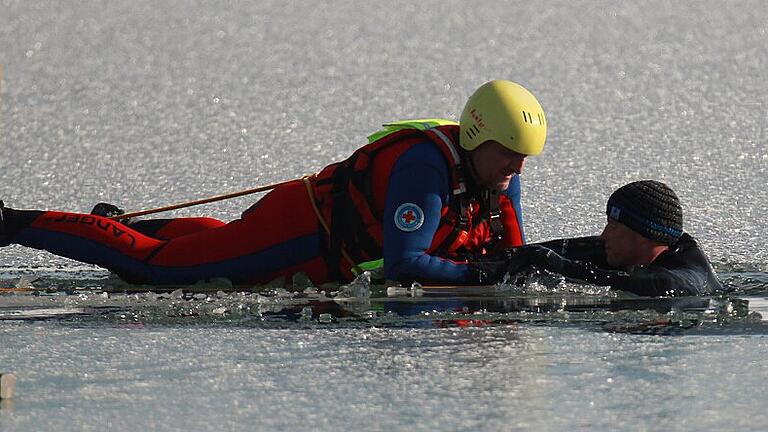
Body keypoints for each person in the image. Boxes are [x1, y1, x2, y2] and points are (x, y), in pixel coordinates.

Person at [0, 80, 547, 286]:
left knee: (207, 243)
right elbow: (406, 264)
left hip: (322, 256)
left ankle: (124, 224)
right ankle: (14, 223)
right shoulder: (426, 167)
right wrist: (483, 272)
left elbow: (513, 254)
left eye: (525, 158)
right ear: (477, 136)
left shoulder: (495, 173)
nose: (517, 169)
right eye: (509, 155)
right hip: (299, 230)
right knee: (156, 269)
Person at [511, 180, 724, 297]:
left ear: (643, 236)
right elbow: (559, 251)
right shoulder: (630, 251)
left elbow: (662, 287)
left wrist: (560, 266)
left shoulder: (687, 276)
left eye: (612, 226)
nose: (604, 236)